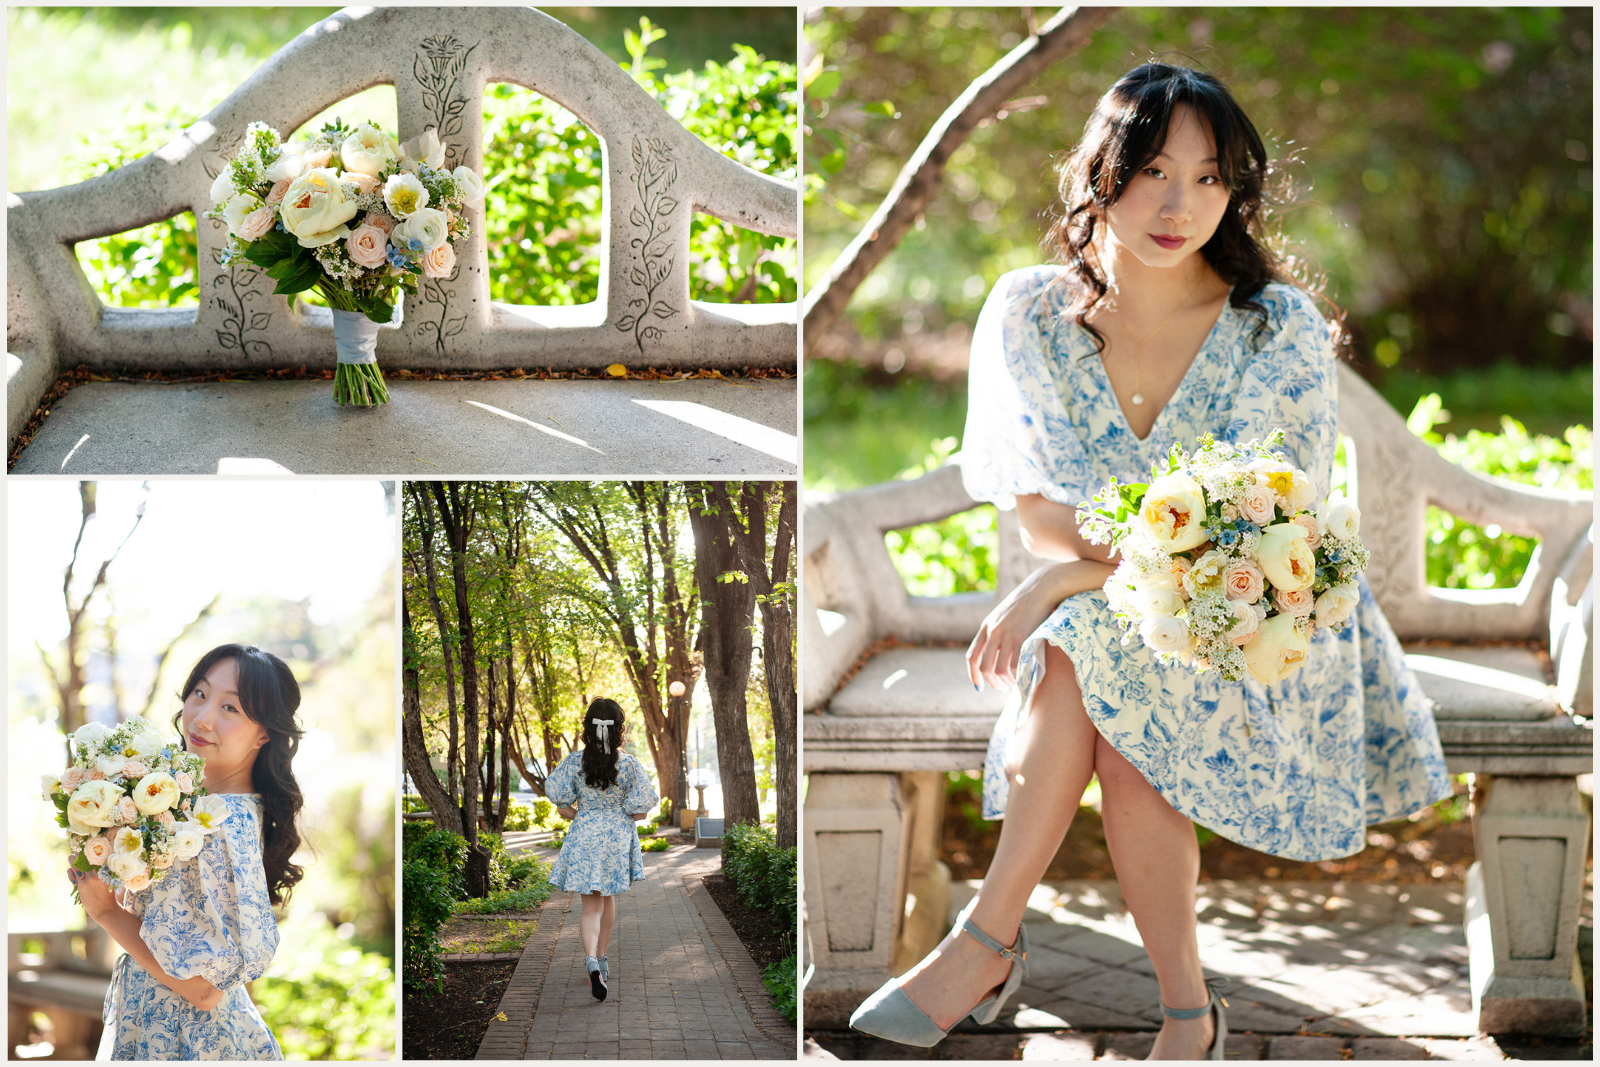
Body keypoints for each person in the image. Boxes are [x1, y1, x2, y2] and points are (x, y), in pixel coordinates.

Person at [849, 62, 1452, 1059]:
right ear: (1099, 171)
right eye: (1154, 173)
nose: (1182, 205)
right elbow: (1039, 506)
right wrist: (1073, 574)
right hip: (1127, 622)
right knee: (1107, 660)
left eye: (1211, 179)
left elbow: (1262, 534)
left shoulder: (1275, 329)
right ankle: (1183, 1012)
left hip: (1265, 615)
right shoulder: (1032, 314)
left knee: (1088, 644)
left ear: (1237, 190)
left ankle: (987, 943)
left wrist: (1060, 579)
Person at [72, 643, 303, 1060]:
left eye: (231, 708)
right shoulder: (203, 806)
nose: (203, 717)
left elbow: (203, 989)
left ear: (264, 732)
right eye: (200, 693)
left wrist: (107, 912)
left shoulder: (220, 820)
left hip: (187, 1040)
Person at [544, 698, 660, 1001]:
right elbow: (640, 812)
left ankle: (591, 962)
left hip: (585, 833)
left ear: (588, 727)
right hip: (616, 838)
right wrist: (619, 813)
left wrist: (585, 814)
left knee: (590, 907)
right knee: (608, 899)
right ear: (619, 728)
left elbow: (564, 808)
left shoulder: (573, 762)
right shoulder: (629, 764)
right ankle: (603, 960)